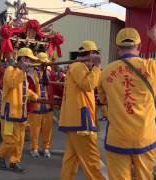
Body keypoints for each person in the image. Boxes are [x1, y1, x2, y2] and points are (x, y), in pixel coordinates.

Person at [98, 25, 156, 180]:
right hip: (144, 136)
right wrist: (154, 37)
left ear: (117, 47)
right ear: (139, 46)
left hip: (117, 137)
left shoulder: (105, 72)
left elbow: (103, 100)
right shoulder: (151, 67)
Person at [59, 40, 104, 180]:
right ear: (90, 54)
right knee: (92, 159)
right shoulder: (79, 66)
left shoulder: (76, 67)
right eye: (95, 55)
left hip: (75, 121)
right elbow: (89, 84)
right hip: (81, 122)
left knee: (71, 159)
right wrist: (97, 67)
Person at [0, 48, 38, 173]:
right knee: (10, 140)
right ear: (23, 59)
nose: (31, 64)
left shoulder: (23, 73)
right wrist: (22, 71)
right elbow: (11, 83)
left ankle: (15, 161)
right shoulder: (10, 70)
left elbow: (24, 89)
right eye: (30, 60)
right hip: (10, 114)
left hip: (21, 114)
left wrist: (33, 95)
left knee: (19, 141)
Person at [27, 52, 54, 158]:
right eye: (43, 63)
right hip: (36, 106)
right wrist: (33, 97)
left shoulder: (49, 73)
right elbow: (27, 88)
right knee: (35, 130)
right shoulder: (30, 74)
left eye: (46, 63)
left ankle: (46, 148)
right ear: (38, 62)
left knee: (47, 130)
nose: (46, 65)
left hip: (48, 106)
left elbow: (54, 87)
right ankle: (34, 148)